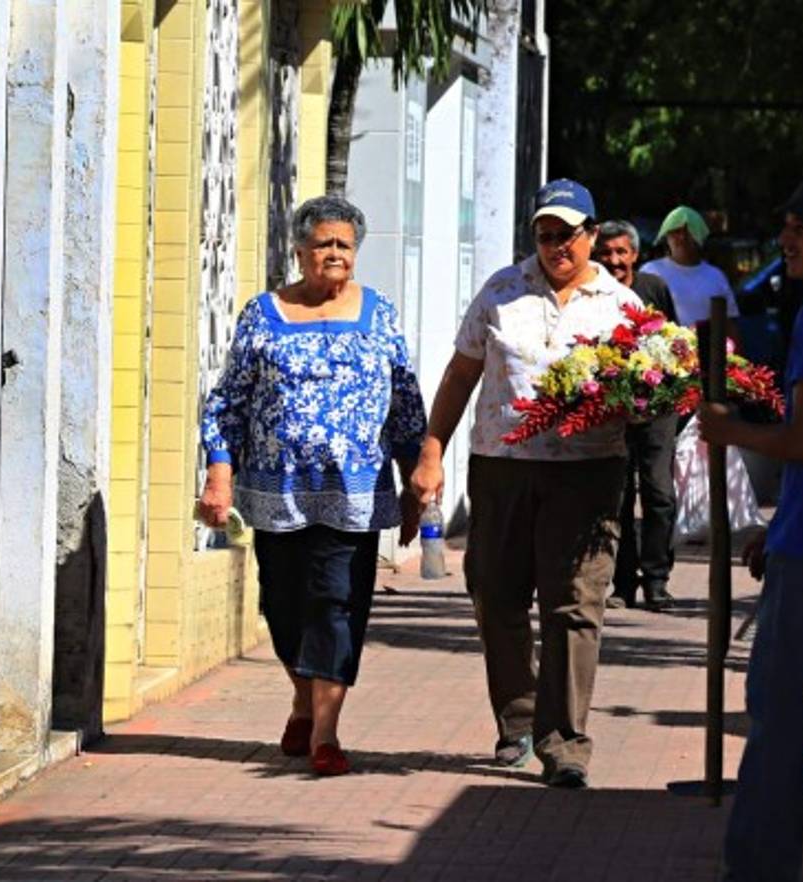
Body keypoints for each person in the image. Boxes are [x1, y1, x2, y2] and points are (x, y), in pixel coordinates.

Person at [413, 179, 642, 789]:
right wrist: (432, 451)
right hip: (502, 468)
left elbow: (651, 389)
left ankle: (564, 743)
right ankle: (517, 722)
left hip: (587, 473)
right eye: (544, 234)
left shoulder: (622, 306)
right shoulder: (501, 290)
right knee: (495, 591)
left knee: (574, 602)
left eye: (566, 234)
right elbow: (462, 374)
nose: (555, 245)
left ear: (591, 234)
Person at [198, 195, 427, 777]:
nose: (332, 253)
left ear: (356, 253)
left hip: (354, 491)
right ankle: (302, 698)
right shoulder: (263, 312)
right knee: (282, 603)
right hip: (276, 491)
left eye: (343, 245)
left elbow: (404, 403)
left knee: (336, 602)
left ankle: (325, 733)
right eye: (322, 243)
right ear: (298, 250)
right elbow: (230, 398)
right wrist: (219, 472)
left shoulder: (379, 313)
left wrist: (416, 477)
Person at [699, 174, 803, 882]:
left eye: (802, 229)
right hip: (802, 536)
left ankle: (758, 867)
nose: (787, 241)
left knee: (776, 721)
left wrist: (728, 427)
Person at [594, 220, 680, 611]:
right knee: (620, 497)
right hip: (615, 410)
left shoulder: (653, 289)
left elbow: (672, 341)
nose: (614, 261)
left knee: (659, 492)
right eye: (606, 253)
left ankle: (657, 579)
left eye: (621, 252)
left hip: (657, 407)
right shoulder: (592, 293)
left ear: (635, 255)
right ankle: (624, 583)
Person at [642, 205, 744, 348]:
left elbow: (729, 325)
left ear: (700, 235)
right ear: (666, 236)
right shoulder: (651, 271)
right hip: (662, 361)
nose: (682, 237)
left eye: (689, 231)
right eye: (676, 231)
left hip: (707, 361)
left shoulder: (715, 276)